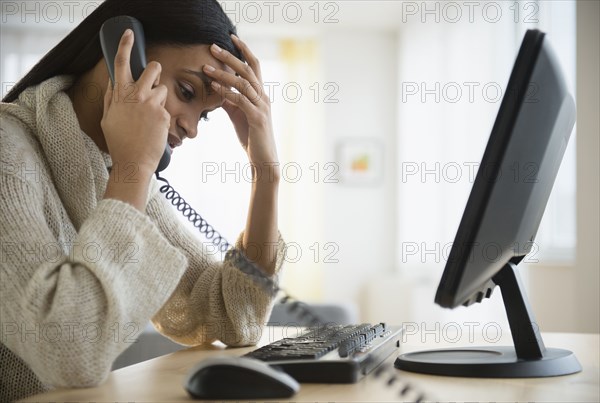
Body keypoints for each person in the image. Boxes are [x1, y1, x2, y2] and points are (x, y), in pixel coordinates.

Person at [0, 0, 284, 400]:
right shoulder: (8, 152)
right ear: (125, 50)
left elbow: (233, 316)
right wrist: (132, 170)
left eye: (203, 116)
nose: (190, 128)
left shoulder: (125, 176)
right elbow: (69, 352)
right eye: (187, 92)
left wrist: (266, 173)